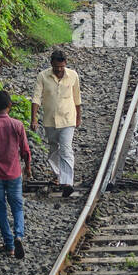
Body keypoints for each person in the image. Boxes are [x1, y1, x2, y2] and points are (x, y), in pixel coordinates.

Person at [0, 90, 32, 259]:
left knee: (1, 209)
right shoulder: (17, 125)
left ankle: (9, 245)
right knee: (17, 207)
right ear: (10, 106)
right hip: (14, 173)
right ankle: (18, 235)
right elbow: (25, 150)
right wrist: (28, 168)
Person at [31, 48, 81, 197]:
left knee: (66, 149)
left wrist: (78, 117)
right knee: (53, 150)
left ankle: (67, 183)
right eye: (56, 67)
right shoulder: (43, 76)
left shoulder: (73, 76)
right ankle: (59, 175)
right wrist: (33, 118)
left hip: (67, 119)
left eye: (61, 67)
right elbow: (36, 98)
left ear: (65, 64)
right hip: (50, 120)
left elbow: (77, 98)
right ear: (51, 64)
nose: (59, 70)